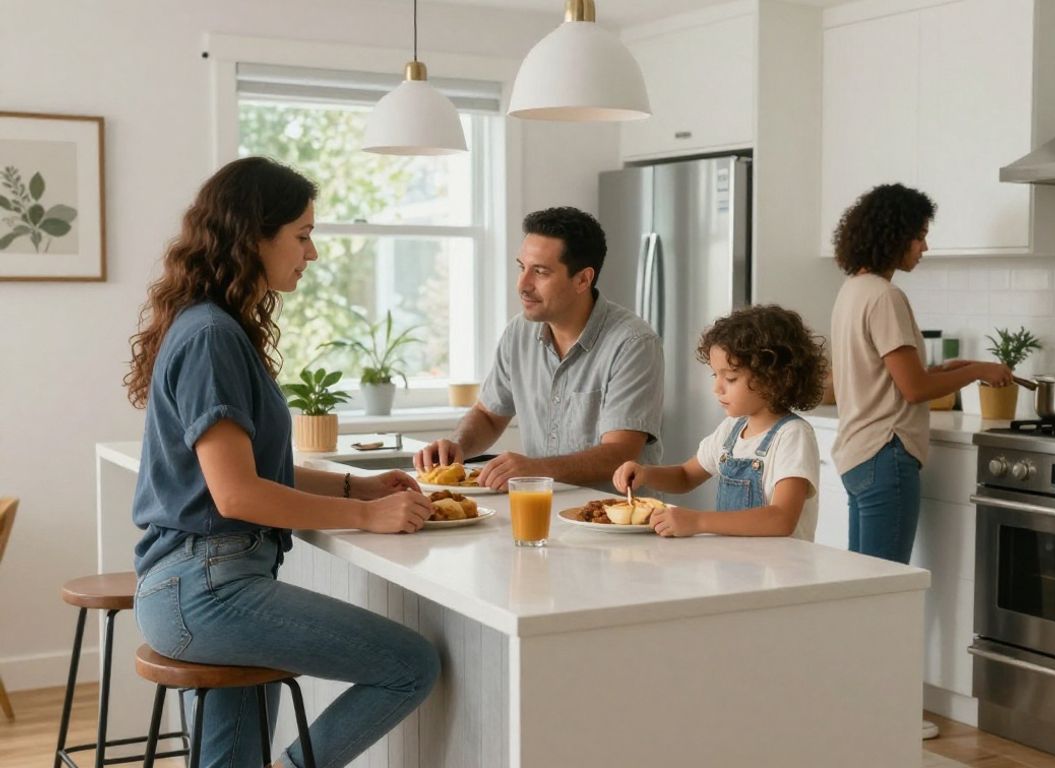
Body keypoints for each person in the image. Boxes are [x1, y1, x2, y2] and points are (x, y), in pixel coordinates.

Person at [125, 157, 439, 768]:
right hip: (208, 590)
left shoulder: (210, 327)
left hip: (199, 583)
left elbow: (257, 471)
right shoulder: (213, 337)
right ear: (253, 237)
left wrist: (359, 486)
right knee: (411, 665)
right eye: (301, 235)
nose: (312, 254)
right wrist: (368, 519)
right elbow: (237, 496)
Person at [829, 183, 1011, 739]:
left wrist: (969, 367)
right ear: (896, 236)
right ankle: (887, 717)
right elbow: (913, 387)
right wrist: (979, 370)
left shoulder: (851, 291)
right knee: (888, 595)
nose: (924, 247)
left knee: (866, 591)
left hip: (857, 453)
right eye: (920, 235)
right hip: (887, 452)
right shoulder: (885, 297)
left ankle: (856, 707)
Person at [415, 207, 665, 493]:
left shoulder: (633, 343)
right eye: (522, 267)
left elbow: (621, 453)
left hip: (616, 518)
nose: (523, 285)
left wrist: (538, 469)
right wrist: (457, 446)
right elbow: (488, 414)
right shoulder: (518, 333)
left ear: (583, 279)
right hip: (540, 508)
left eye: (541, 272)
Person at [613, 305, 826, 540]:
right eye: (716, 375)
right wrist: (645, 474)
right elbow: (686, 475)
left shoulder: (792, 435)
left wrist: (699, 521)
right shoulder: (731, 430)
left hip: (781, 572)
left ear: (773, 379)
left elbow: (781, 518)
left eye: (731, 378)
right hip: (735, 564)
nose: (717, 388)